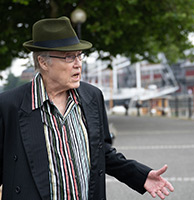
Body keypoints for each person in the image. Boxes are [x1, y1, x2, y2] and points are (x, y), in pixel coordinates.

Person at [0, 16, 174, 200]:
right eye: (69, 57)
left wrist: (140, 176)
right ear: (43, 62)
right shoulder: (9, 106)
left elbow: (102, 152)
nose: (78, 63)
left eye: (79, 55)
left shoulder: (92, 97)